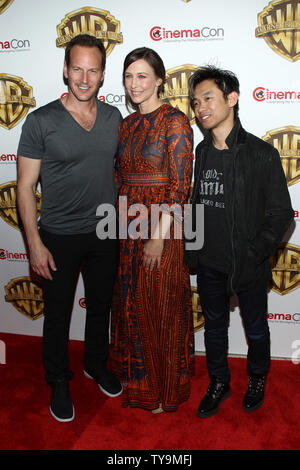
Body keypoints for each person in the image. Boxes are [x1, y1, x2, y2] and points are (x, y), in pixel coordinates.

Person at [17, 34, 123, 422]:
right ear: (65, 70)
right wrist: (33, 243)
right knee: (58, 315)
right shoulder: (40, 121)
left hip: (105, 232)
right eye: (76, 68)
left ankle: (95, 364)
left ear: (102, 75)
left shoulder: (114, 118)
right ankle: (58, 379)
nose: (84, 77)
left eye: (92, 70)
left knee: (100, 307)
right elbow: (26, 187)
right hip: (58, 235)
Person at [184, 65, 294, 418]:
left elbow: (281, 215)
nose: (200, 108)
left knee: (257, 330)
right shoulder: (201, 152)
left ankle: (258, 377)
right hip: (210, 264)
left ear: (231, 99)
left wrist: (254, 253)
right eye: (196, 101)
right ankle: (219, 381)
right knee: (214, 330)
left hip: (249, 265)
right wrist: (193, 248)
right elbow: (197, 204)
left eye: (208, 98)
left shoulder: (261, 153)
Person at [109, 47, 195, 413]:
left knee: (160, 305)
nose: (134, 84)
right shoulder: (125, 125)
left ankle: (163, 390)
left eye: (142, 76)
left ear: (160, 79)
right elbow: (118, 178)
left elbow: (180, 186)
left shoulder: (175, 122)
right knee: (130, 304)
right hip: (126, 225)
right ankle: (138, 381)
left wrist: (158, 235)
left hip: (162, 226)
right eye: (129, 76)